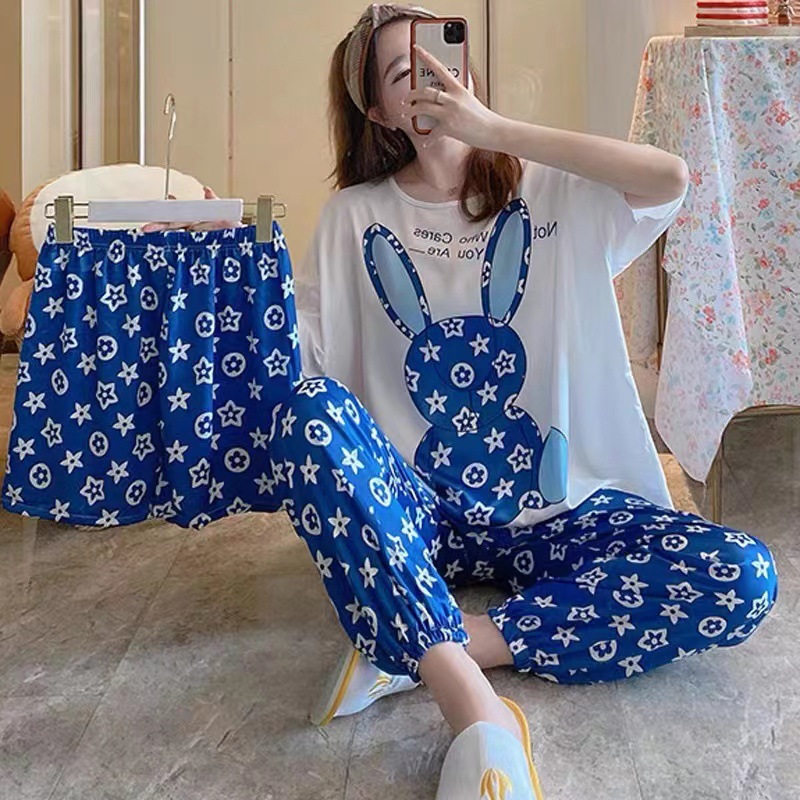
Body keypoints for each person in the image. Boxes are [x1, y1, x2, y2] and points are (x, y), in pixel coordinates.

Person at [149, 5, 778, 797]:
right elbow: (288, 367)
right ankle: (476, 709)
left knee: (741, 576)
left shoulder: (552, 189)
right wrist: (210, 257)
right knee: (308, 415)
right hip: (423, 522)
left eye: (442, 59)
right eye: (402, 73)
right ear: (380, 112)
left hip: (566, 515)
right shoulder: (354, 219)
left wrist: (497, 130)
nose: (432, 79)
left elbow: (670, 178)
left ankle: (428, 642)